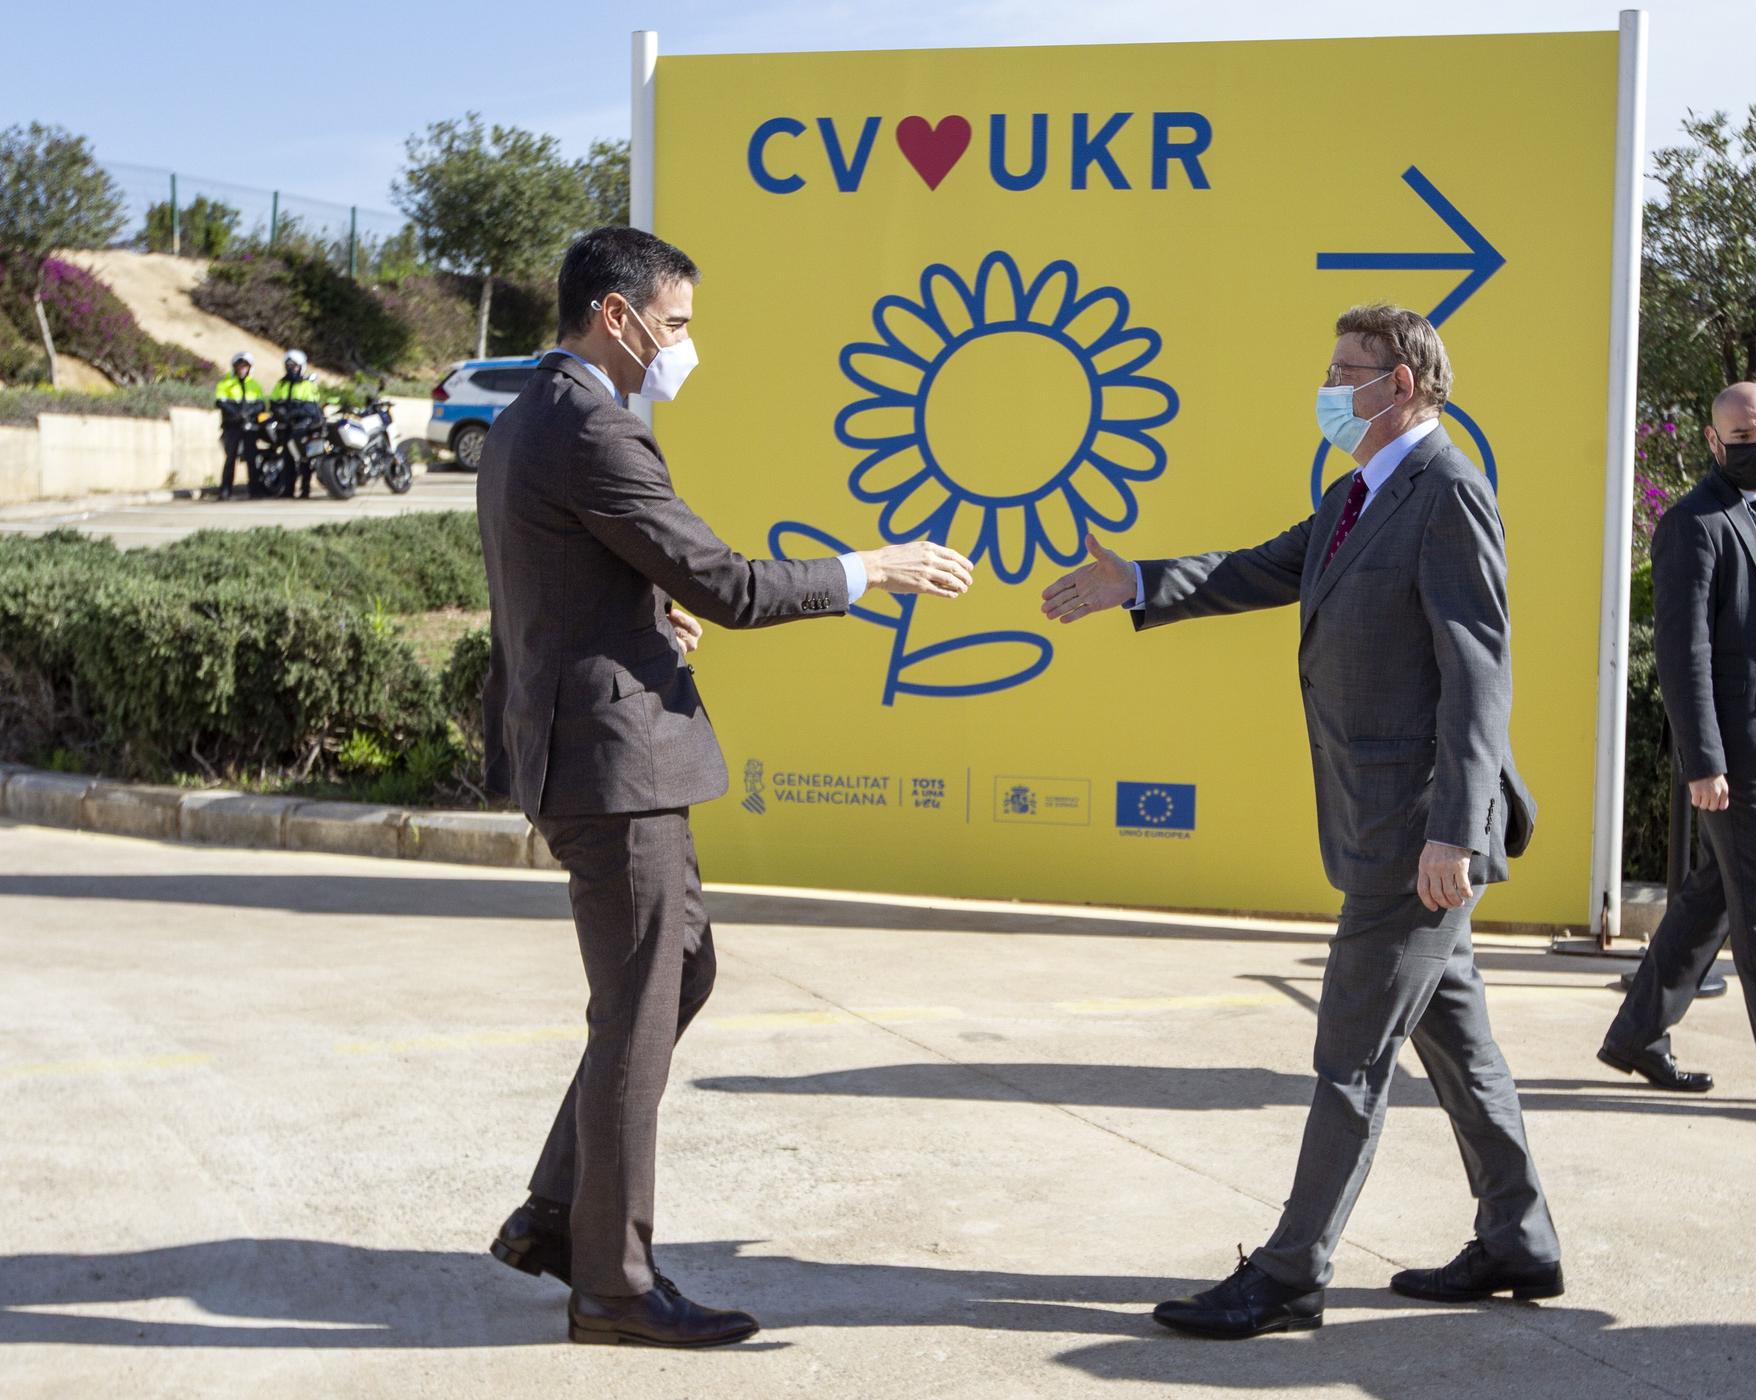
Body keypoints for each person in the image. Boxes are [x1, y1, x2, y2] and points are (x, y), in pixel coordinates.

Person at [478, 225, 975, 1349]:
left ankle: (558, 1212)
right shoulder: (593, 427)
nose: (682, 346)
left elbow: (567, 579)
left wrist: (649, 616)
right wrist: (871, 567)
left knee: (676, 973)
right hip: (613, 766)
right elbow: (733, 583)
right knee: (641, 1013)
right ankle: (610, 1282)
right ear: (618, 315)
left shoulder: (528, 417)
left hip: (588, 746)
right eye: (678, 323)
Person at [1040, 303, 1560, 1339]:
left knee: (1350, 1055)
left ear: (1400, 382)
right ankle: (1517, 1235)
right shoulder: (1355, 493)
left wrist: (1453, 830)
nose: (1328, 388)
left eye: (1346, 369)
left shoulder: (1446, 491)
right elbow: (1257, 568)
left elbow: (1475, 669)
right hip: (1384, 819)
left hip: (1415, 829)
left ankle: (1288, 1271)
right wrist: (1134, 581)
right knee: (1458, 1039)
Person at [1599, 382, 1756, 1117]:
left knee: (1717, 893)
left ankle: (1637, 1034)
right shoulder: (1693, 523)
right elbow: (1685, 654)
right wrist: (1703, 760)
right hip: (1734, 754)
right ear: (1714, 443)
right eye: (1741, 435)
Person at [269, 348, 323, 498]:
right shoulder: (280, 384)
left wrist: (293, 413)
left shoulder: (308, 385)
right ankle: (288, 490)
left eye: (295, 366)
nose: (291, 369)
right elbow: (273, 402)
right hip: (286, 428)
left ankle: (305, 490)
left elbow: (311, 408)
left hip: (302, 428)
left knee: (304, 460)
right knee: (287, 460)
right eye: (289, 366)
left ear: (301, 367)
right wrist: (280, 413)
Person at [212, 351, 263, 501]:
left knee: (252, 459)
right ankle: (226, 490)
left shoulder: (254, 385)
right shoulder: (225, 383)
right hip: (232, 426)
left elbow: (260, 405)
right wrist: (237, 414)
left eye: (245, 367)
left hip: (249, 427)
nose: (242, 369)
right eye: (239, 367)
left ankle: (255, 490)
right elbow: (221, 402)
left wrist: (249, 413)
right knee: (230, 459)